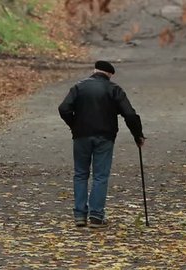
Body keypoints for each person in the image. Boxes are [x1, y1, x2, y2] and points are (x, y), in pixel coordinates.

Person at [58, 60, 145, 228]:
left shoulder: (79, 87)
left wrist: (74, 125)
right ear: (110, 74)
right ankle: (96, 216)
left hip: (81, 136)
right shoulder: (114, 89)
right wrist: (138, 136)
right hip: (105, 137)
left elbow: (64, 108)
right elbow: (130, 114)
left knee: (80, 174)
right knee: (100, 176)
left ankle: (80, 216)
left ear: (94, 70)